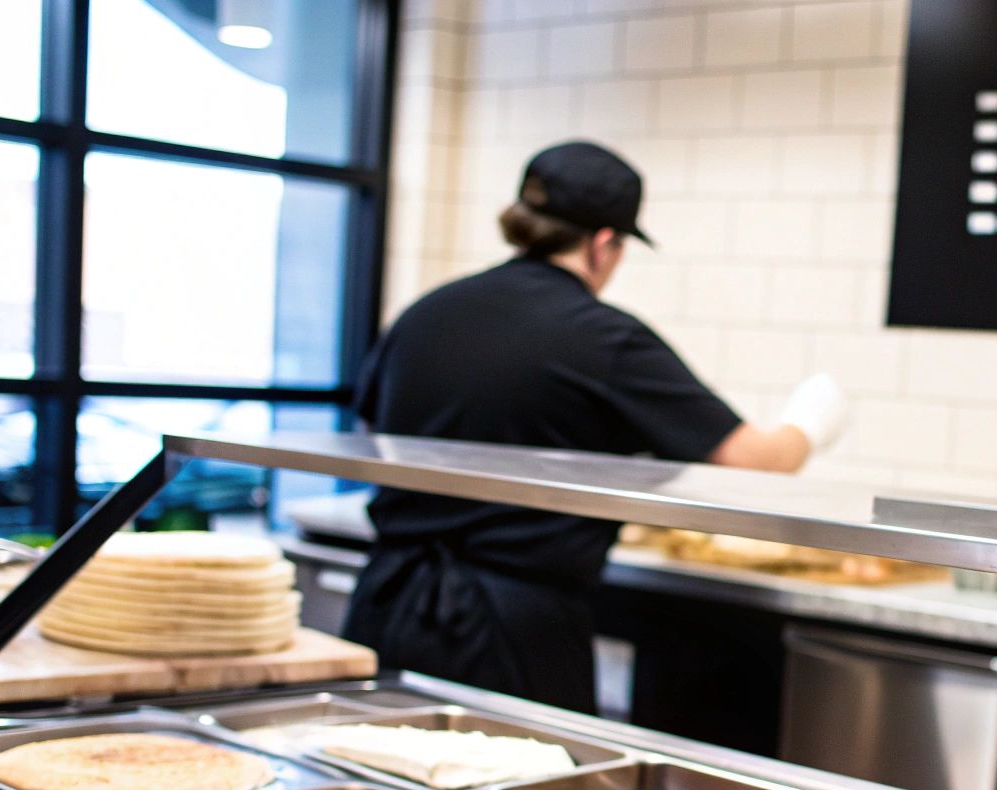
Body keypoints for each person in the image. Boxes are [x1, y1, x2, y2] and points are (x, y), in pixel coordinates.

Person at [344, 140, 847, 713]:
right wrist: (812, 420)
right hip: (507, 633)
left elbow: (373, 422)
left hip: (385, 603)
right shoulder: (604, 336)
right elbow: (756, 459)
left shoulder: (427, 312)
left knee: (370, 763)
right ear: (603, 244)